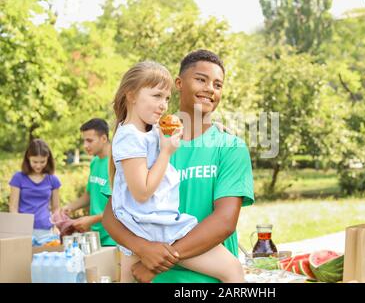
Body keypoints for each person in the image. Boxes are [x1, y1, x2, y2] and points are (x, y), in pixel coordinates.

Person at [103, 50, 254, 283]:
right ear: (179, 84)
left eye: (218, 84)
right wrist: (143, 249)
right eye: (201, 80)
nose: (210, 89)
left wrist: (156, 264)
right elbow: (114, 213)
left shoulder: (230, 147)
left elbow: (224, 222)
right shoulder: (147, 138)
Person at [61, 118, 116, 246]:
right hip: (95, 236)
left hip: (113, 238)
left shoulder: (116, 164)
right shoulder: (95, 162)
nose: (85, 145)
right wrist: (69, 208)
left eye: (89, 140)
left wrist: (91, 219)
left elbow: (121, 207)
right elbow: (89, 195)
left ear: (103, 138)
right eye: (84, 140)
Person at [9, 139, 61, 242]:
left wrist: (57, 227)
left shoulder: (53, 180)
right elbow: (13, 207)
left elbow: (56, 208)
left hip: (45, 231)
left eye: (42, 162)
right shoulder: (18, 178)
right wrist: (17, 228)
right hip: (23, 230)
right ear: (28, 158)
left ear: (48, 159)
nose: (38, 165)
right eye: (35, 161)